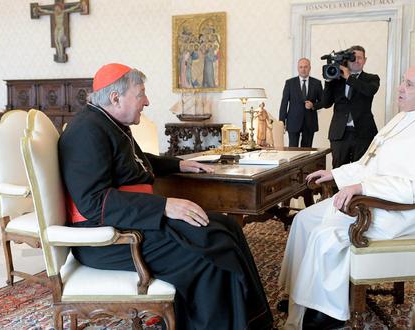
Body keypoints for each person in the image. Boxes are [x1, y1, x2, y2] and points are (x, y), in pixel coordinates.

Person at [59, 63, 273, 330]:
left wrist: (178, 164)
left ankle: (253, 321)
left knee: (227, 226)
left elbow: (134, 162)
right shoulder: (86, 131)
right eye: (141, 94)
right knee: (211, 254)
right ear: (116, 97)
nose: (146, 101)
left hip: (128, 220)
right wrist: (164, 206)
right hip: (107, 239)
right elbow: (94, 202)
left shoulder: (109, 123)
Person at [278, 63, 415, 330]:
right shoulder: (404, 118)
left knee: (325, 235)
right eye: (403, 80)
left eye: (409, 84)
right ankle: (300, 296)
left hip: (402, 211)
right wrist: (335, 174)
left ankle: (325, 314)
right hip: (378, 198)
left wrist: (361, 189)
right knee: (304, 220)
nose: (400, 87)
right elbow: (371, 164)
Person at [322, 45, 380, 168]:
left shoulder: (372, 79)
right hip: (339, 134)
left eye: (360, 58)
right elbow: (326, 103)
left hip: (363, 134)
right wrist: (328, 81)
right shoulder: (336, 79)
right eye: (353, 57)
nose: (357, 60)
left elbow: (369, 91)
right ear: (347, 60)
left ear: (365, 60)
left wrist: (349, 77)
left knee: (360, 171)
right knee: (338, 172)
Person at [279, 58, 325, 147]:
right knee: (292, 151)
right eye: (301, 67)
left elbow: (323, 102)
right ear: (298, 68)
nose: (303, 69)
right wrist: (282, 122)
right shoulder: (290, 83)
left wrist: (313, 105)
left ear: (310, 68)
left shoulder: (317, 83)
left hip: (310, 122)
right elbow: (284, 103)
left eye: (305, 67)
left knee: (307, 151)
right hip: (293, 122)